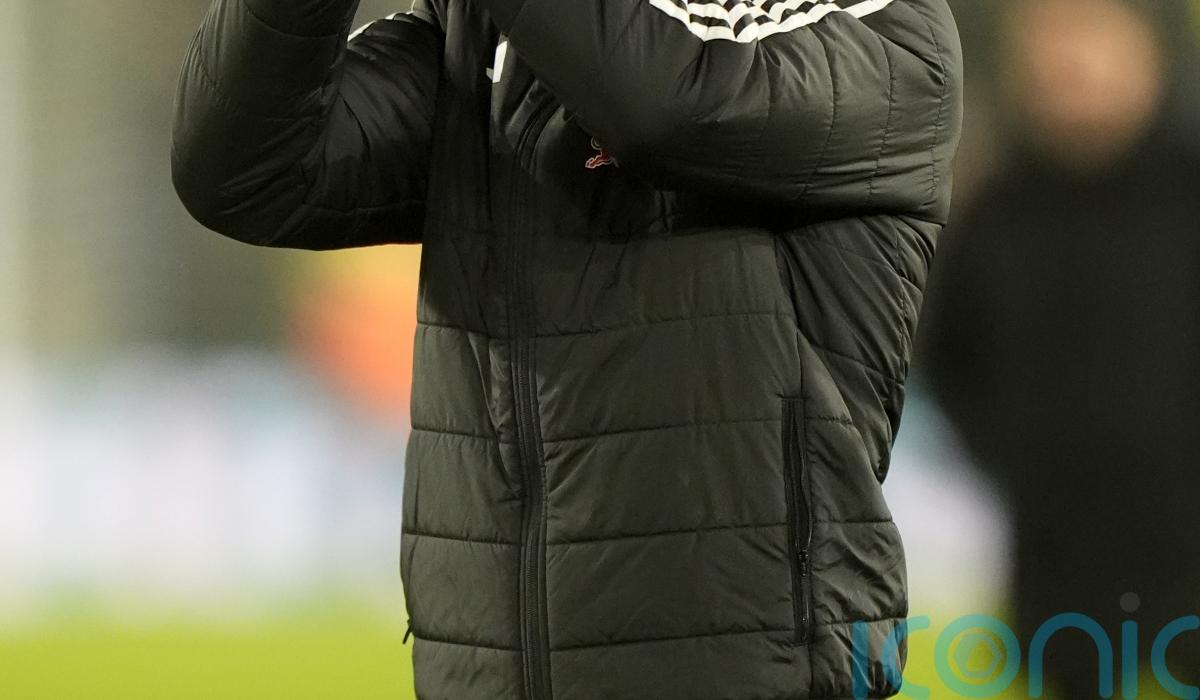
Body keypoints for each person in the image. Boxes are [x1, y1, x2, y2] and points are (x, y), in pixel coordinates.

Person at [170, 0, 963, 696]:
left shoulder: (880, 26)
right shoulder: (489, 44)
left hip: (749, 676)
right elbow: (247, 169)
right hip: (482, 674)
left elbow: (665, 105)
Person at [919, 0, 1200, 696]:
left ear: (1147, 48)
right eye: (1048, 43)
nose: (1069, 62)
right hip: (1058, 569)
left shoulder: (1187, 194)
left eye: (1091, 35)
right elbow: (951, 361)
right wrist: (1015, 455)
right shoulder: (993, 213)